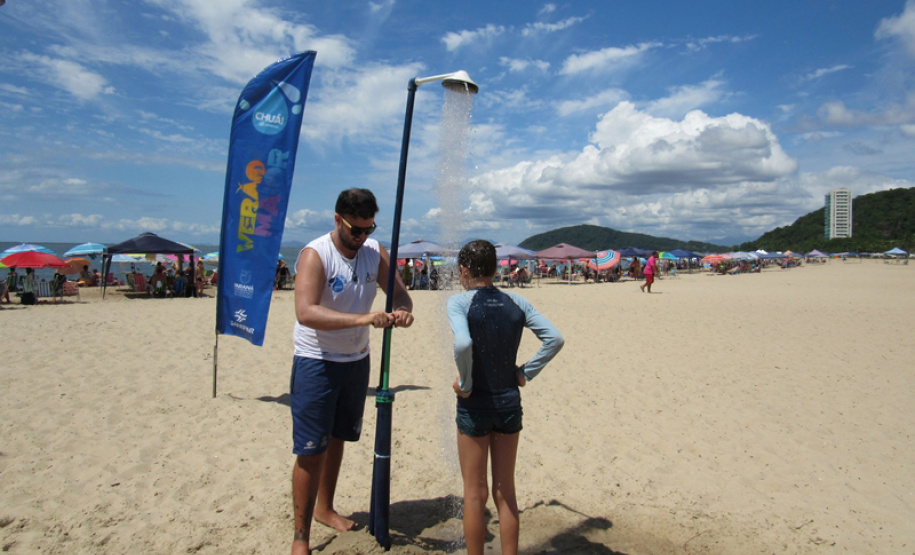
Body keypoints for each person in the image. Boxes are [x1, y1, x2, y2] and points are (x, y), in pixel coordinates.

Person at [290, 188, 414, 555]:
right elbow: (306, 312)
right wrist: (365, 318)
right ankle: (301, 536)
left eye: (369, 229)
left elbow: (401, 295)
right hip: (316, 361)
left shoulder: (374, 253)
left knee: (339, 438)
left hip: (356, 361)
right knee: (311, 449)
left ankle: (325, 507)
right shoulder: (316, 255)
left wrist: (404, 311)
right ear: (338, 221)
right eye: (355, 230)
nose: (362, 237)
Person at [446, 240, 564, 555]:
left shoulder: (459, 302)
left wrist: (467, 383)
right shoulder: (516, 301)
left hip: (474, 407)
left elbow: (462, 344)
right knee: (505, 493)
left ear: (465, 270)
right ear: (496, 269)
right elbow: (554, 338)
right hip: (509, 404)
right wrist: (526, 371)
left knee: (474, 494)